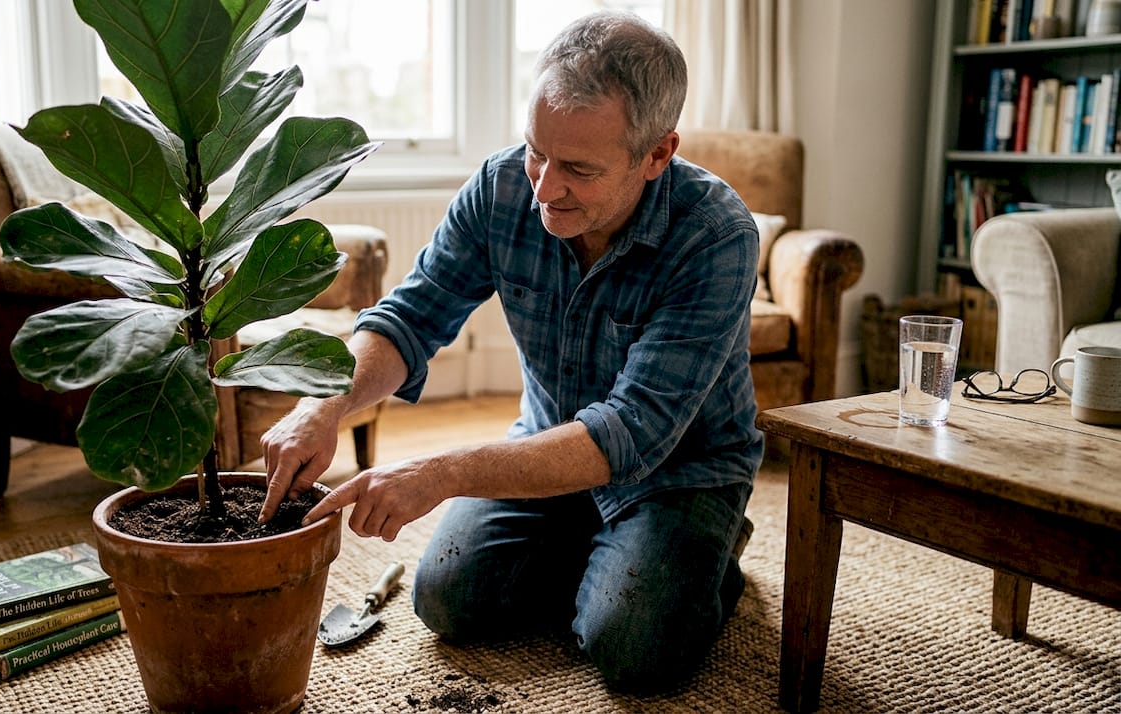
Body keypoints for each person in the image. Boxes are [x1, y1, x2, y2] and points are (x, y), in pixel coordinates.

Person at [258, 10, 763, 692]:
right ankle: (611, 561)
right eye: (536, 150)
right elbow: (410, 317)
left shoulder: (716, 234)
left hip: (679, 471)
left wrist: (438, 474)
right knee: (445, 600)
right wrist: (322, 403)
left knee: (633, 648)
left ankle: (706, 549)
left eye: (578, 169)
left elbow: (631, 434)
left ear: (657, 154)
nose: (544, 188)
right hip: (546, 441)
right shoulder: (501, 187)